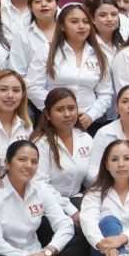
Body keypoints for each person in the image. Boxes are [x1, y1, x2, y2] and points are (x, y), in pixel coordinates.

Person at [28, 4, 112, 135]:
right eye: (74, 21)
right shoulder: (47, 50)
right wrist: (56, 111)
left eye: (85, 22)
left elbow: (105, 93)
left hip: (88, 122)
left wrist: (91, 115)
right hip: (52, 122)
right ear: (62, 26)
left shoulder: (98, 54)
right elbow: (33, 86)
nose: (81, 26)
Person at [30, 88, 96, 245]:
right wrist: (71, 211)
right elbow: (40, 185)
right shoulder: (40, 143)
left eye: (71, 108)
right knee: (79, 235)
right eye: (60, 110)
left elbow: (90, 178)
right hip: (47, 205)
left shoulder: (85, 138)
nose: (67, 114)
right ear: (47, 114)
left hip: (76, 200)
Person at [13, 0, 60, 77]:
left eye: (49, 0)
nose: (44, 4)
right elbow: (18, 73)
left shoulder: (67, 32)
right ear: (30, 7)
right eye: (38, 1)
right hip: (32, 85)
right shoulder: (22, 36)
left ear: (57, 5)